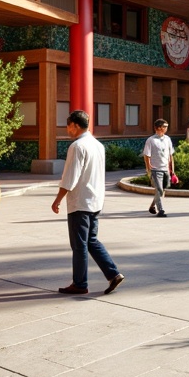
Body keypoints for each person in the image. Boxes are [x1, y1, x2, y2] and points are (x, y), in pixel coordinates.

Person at [51, 110, 124, 295]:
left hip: (80, 202)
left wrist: (58, 199)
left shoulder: (77, 146)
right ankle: (113, 274)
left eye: (68, 125)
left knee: (79, 245)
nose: (67, 129)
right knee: (91, 240)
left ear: (75, 125)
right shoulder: (98, 145)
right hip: (95, 200)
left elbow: (70, 177)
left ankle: (80, 284)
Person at [142, 117, 176, 217]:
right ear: (158, 128)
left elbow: (171, 155)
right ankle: (161, 210)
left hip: (165, 168)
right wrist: (148, 168)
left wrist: (172, 169)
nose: (166, 128)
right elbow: (146, 155)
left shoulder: (168, 139)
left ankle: (152, 206)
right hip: (155, 169)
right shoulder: (151, 140)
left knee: (163, 189)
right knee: (159, 189)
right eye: (164, 127)